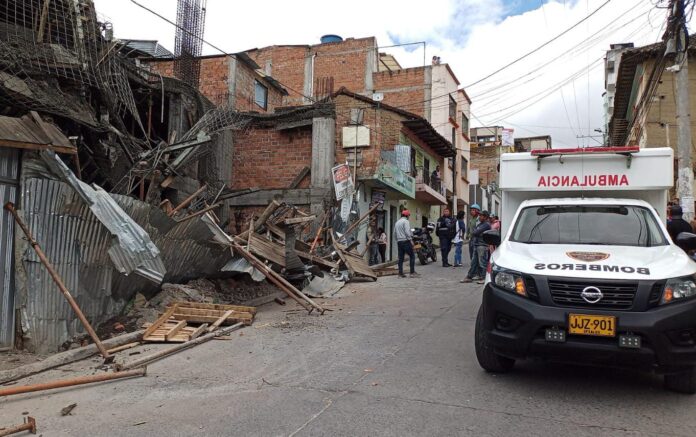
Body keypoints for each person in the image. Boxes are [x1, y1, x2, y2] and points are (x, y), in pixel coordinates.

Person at [461, 210, 491, 284]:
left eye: (481, 216)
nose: (479, 217)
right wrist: (475, 232)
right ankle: (470, 276)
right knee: (474, 262)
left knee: (482, 262)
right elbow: (474, 232)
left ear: (485, 217)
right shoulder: (480, 224)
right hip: (477, 245)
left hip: (482, 246)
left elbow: (475, 232)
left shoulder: (486, 225)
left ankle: (484, 277)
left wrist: (476, 232)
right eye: (479, 215)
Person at [394, 210, 419, 278]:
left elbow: (395, 233)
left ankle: (400, 273)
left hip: (399, 242)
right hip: (405, 241)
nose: (409, 217)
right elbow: (407, 232)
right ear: (407, 215)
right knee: (412, 256)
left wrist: (398, 240)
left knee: (401, 258)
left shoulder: (397, 222)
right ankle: (412, 272)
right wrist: (410, 240)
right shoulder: (406, 221)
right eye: (409, 215)